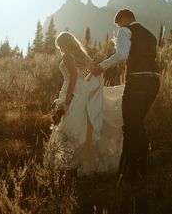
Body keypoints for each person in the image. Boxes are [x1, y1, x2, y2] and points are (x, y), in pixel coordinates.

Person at [43, 31, 124, 176]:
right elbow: (93, 71)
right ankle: (85, 163)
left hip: (73, 91)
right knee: (83, 125)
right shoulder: (81, 55)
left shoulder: (67, 56)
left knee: (69, 125)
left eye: (60, 45)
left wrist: (67, 100)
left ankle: (69, 163)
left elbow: (73, 77)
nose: (59, 48)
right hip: (82, 91)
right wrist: (86, 86)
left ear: (64, 44)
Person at [94, 9, 160, 183]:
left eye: (119, 24)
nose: (118, 28)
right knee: (137, 122)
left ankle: (132, 169)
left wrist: (101, 66)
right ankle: (141, 165)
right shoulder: (151, 35)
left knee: (131, 123)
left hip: (138, 80)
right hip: (154, 81)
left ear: (125, 19)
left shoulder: (126, 30)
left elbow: (122, 54)